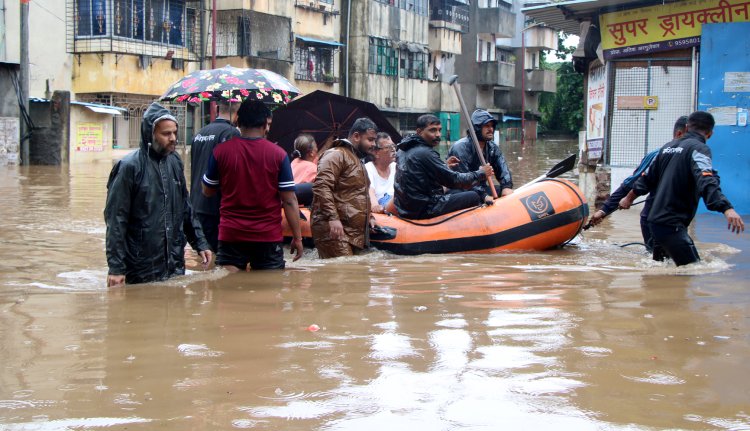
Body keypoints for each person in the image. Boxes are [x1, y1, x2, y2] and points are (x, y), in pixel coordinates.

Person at [104, 102, 212, 287]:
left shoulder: (175, 162)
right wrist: (116, 268)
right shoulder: (129, 167)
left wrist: (200, 242)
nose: (173, 138)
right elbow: (116, 220)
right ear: (150, 134)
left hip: (174, 263)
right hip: (140, 266)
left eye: (175, 133)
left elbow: (185, 208)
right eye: (166, 133)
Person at [619, 111, 745, 266]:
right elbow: (706, 179)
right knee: (693, 269)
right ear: (710, 133)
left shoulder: (666, 148)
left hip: (654, 223)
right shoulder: (699, 149)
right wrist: (726, 208)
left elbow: (646, 179)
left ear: (687, 127)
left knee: (663, 271)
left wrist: (628, 199)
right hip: (671, 224)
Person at [202, 99, 303, 271]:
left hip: (231, 236)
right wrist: (298, 238)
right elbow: (289, 200)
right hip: (268, 237)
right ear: (265, 124)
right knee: (269, 293)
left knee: (227, 289)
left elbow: (207, 191)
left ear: (238, 122)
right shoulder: (279, 155)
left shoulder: (220, 152)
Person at [588, 115, 688, 251]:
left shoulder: (695, 157)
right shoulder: (657, 156)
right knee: (658, 258)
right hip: (654, 218)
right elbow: (633, 183)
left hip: (678, 218)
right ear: (679, 134)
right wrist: (604, 210)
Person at [393, 114, 493, 220]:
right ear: (419, 132)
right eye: (432, 130)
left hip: (406, 207)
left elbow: (420, 175)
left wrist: (444, 167)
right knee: (473, 196)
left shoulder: (402, 149)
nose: (438, 134)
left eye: (439, 130)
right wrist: (481, 173)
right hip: (424, 208)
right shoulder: (425, 153)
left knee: (456, 192)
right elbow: (454, 180)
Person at [311, 117, 378, 258]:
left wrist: (369, 216)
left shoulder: (356, 159)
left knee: (351, 276)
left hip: (351, 231)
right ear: (356, 136)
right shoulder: (336, 154)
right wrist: (332, 218)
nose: (373, 144)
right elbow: (322, 186)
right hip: (335, 228)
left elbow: (358, 193)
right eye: (370, 140)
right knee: (340, 275)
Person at [189, 101, 240, 252]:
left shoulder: (199, 133)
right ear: (238, 113)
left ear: (217, 109)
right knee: (218, 259)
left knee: (204, 256)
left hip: (196, 205)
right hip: (215, 208)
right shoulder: (231, 133)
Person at [448, 109, 513, 203]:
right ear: (477, 128)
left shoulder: (492, 147)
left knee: (501, 190)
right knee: (473, 196)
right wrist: (484, 196)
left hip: (480, 189)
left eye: (492, 126)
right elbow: (462, 180)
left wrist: (506, 186)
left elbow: (503, 168)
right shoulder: (460, 148)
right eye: (486, 126)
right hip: (460, 191)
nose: (491, 129)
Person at [365, 132, 396, 214]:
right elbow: (370, 191)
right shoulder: (367, 169)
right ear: (376, 153)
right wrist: (375, 206)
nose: (393, 149)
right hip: (381, 217)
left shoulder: (396, 167)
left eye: (393, 146)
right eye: (388, 147)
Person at [290, 133, 318, 207]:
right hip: (302, 208)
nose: (317, 149)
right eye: (316, 146)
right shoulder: (313, 169)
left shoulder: (294, 162)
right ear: (311, 153)